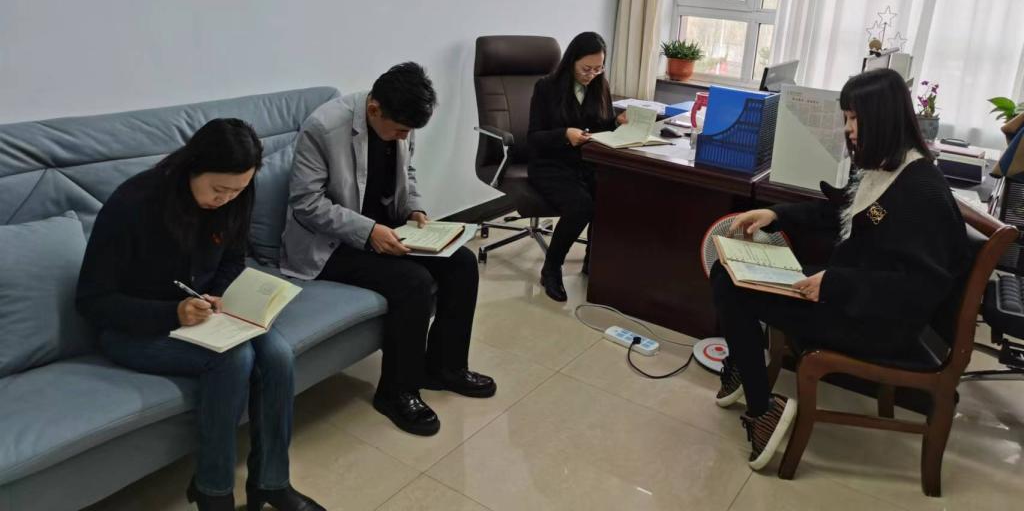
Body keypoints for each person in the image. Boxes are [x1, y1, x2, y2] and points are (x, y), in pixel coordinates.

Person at [711, 68, 969, 471]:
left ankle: (762, 410)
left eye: (854, 118)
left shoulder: (920, 191)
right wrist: (776, 215)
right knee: (729, 272)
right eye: (847, 117)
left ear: (882, 118)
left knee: (732, 286)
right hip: (853, 296)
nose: (848, 129)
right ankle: (745, 368)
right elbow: (844, 214)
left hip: (876, 322)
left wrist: (836, 283)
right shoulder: (888, 167)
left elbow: (920, 287)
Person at [76, 119, 324, 511]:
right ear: (192, 166)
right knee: (233, 358)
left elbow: (232, 258)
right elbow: (93, 300)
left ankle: (272, 482)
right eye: (218, 189)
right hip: (133, 330)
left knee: (277, 355)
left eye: (237, 190)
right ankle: (214, 492)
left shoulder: (237, 193)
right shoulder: (134, 204)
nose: (226, 199)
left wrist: (219, 292)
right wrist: (172, 312)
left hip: (204, 318)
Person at [281, 62, 495, 437]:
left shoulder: (400, 122)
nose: (403, 138)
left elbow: (407, 173)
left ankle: (444, 367)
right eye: (399, 131)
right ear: (374, 109)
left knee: (461, 263)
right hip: (329, 243)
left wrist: (415, 210)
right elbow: (306, 204)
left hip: (387, 229)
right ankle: (397, 392)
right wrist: (368, 231)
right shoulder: (323, 128)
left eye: (408, 133)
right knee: (412, 281)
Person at [527, 31, 626, 302]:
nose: (592, 74)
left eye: (598, 68)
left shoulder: (599, 85)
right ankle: (551, 268)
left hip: (585, 163)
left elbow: (602, 125)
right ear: (572, 61)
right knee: (581, 206)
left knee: (611, 197)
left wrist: (617, 122)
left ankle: (593, 262)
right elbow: (534, 138)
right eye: (586, 68)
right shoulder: (546, 87)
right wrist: (564, 135)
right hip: (550, 164)